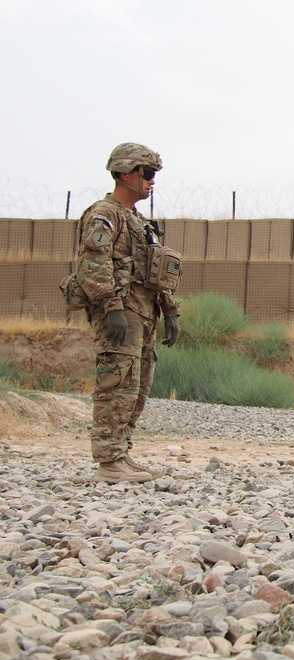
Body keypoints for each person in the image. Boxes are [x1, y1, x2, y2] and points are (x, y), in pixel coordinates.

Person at [76, 142, 182, 483]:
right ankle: (108, 462)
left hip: (143, 313)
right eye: (146, 174)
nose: (151, 182)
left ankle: (121, 453)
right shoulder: (104, 215)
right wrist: (110, 308)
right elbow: (94, 263)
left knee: (137, 384)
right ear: (125, 173)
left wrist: (170, 312)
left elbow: (153, 271)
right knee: (116, 382)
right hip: (121, 313)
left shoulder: (137, 221)